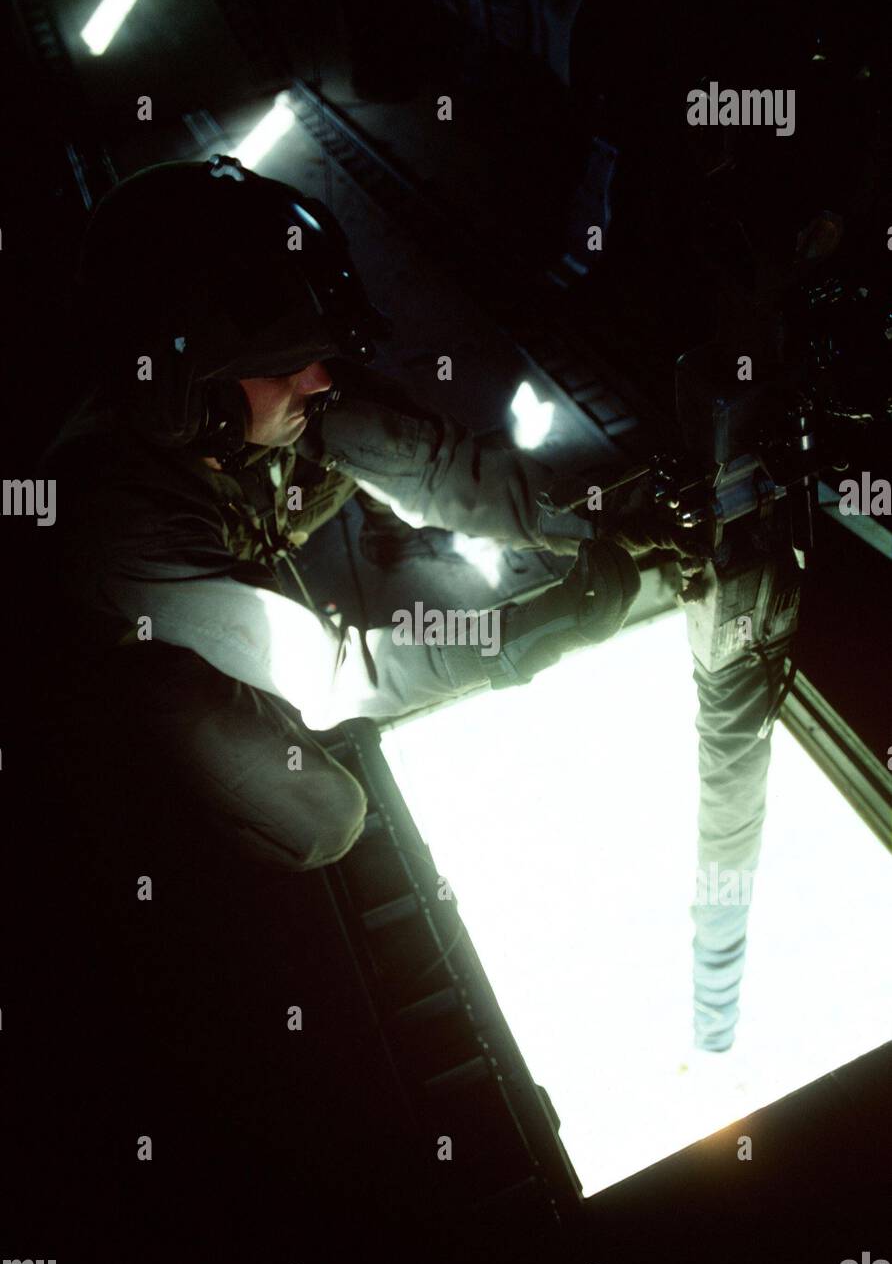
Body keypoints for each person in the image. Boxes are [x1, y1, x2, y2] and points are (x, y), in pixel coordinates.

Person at [37, 155, 696, 879]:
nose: (318, 378)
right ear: (191, 386)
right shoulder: (113, 516)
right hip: (141, 645)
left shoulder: (259, 403)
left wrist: (597, 518)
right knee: (321, 814)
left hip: (240, 515)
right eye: (287, 361)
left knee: (372, 438)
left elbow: (436, 469)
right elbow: (333, 674)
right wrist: (520, 636)